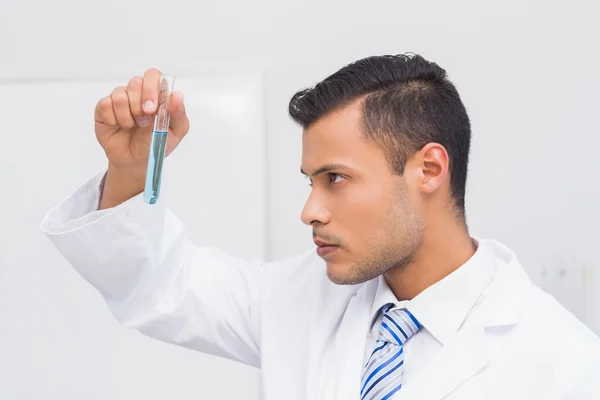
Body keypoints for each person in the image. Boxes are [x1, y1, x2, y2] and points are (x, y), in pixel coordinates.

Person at [40, 54, 600, 400]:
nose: (310, 210)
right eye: (310, 180)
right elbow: (163, 285)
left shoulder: (564, 366)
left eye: (335, 178)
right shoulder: (303, 299)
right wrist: (133, 168)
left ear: (429, 169)